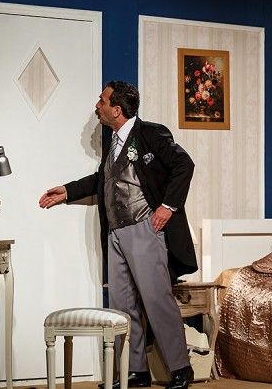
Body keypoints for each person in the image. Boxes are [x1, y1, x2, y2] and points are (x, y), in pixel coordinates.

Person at [39, 81, 198, 389]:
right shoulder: (112, 143)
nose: (96, 106)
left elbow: (184, 164)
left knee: (156, 300)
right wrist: (67, 191)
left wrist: (168, 206)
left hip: (144, 228)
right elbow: (103, 179)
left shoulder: (151, 133)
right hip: (115, 233)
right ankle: (134, 371)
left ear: (117, 109)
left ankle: (181, 368)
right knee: (123, 306)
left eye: (102, 100)